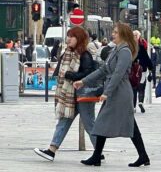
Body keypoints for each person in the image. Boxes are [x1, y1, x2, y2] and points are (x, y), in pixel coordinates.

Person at [73, 23, 150, 167]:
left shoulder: (125, 51)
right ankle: (142, 156)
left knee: (112, 123)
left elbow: (118, 74)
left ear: (123, 35)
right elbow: (103, 70)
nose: (112, 34)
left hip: (120, 92)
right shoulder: (116, 50)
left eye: (115, 32)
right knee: (117, 123)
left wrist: (106, 93)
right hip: (115, 91)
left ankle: (99, 156)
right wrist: (83, 81)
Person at [34, 27, 97, 162]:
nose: (68, 39)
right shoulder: (67, 53)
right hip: (69, 96)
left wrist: (70, 75)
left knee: (89, 125)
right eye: (68, 36)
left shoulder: (85, 55)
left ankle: (98, 152)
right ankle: (51, 151)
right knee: (63, 122)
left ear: (79, 39)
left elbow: (89, 73)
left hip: (82, 95)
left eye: (72, 37)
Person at [133, 30, 153, 113]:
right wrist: (151, 68)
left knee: (133, 88)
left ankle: (133, 106)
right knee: (141, 87)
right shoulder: (141, 47)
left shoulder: (129, 47)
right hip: (142, 70)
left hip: (133, 71)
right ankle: (140, 102)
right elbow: (147, 59)